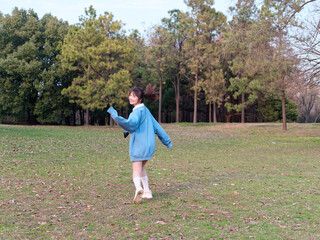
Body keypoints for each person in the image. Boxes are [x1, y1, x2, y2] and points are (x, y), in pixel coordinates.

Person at [107, 84, 172, 204]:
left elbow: (131, 123)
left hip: (139, 145)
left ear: (140, 99)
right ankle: (147, 192)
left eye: (134, 96)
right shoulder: (146, 111)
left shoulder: (136, 112)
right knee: (141, 168)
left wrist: (116, 117)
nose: (131, 98)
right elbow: (157, 127)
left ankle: (138, 189)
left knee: (135, 170)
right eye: (130, 95)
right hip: (149, 146)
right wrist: (167, 141)